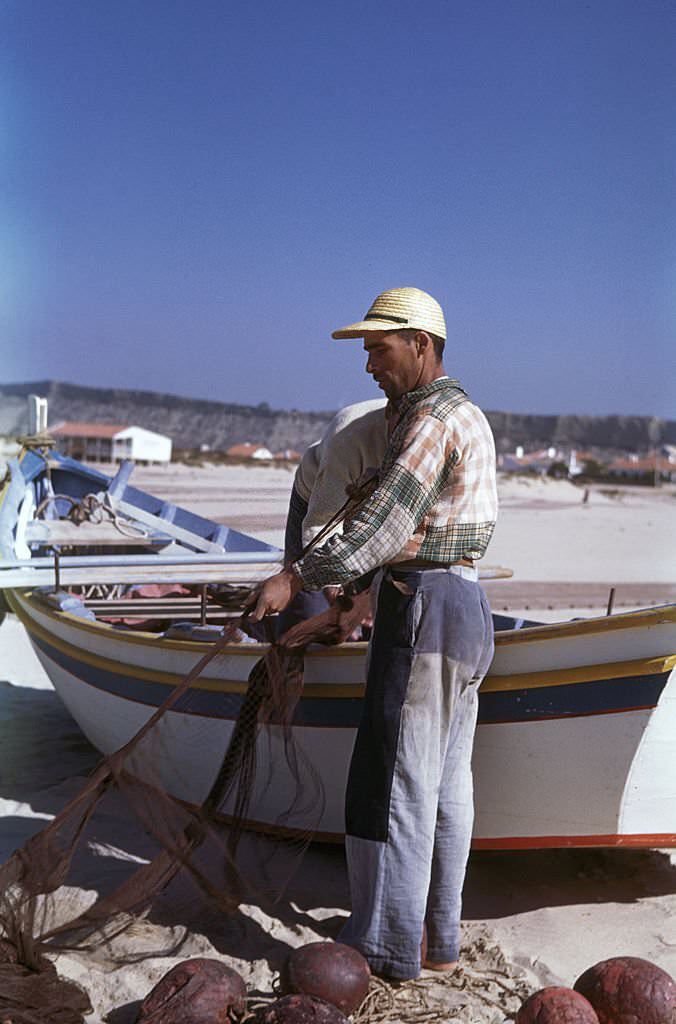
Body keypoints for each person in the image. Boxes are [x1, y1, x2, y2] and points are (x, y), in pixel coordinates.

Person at [250, 287, 498, 981]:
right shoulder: (463, 415)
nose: (368, 366)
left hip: (423, 605)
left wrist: (293, 580)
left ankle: (386, 950)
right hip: (468, 610)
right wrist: (350, 601)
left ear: (421, 344)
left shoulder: (429, 423)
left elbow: (385, 527)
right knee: (445, 784)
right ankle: (438, 943)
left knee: (394, 781)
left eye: (378, 349)